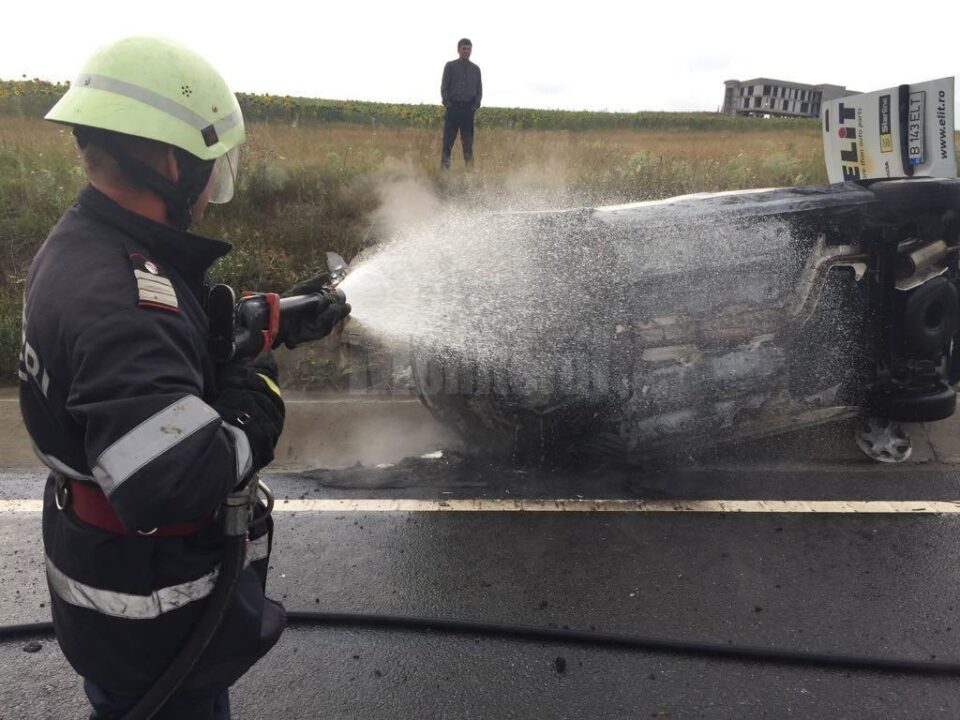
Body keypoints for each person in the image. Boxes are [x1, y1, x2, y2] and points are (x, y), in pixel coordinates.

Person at [18, 36, 348, 719]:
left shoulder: (91, 244)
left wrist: (274, 318)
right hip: (156, 619)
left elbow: (161, 342)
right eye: (210, 167)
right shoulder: (120, 297)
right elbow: (170, 476)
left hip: (120, 591)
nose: (209, 192)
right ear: (171, 161)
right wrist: (257, 403)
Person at [440, 38, 482, 169]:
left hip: (468, 112)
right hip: (453, 110)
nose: (466, 51)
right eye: (464, 48)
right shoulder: (450, 66)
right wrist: (448, 105)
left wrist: (474, 107)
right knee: (447, 146)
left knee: (468, 147)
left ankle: (469, 179)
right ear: (458, 49)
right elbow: (444, 88)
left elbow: (479, 91)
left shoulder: (476, 69)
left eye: (469, 49)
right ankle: (444, 178)